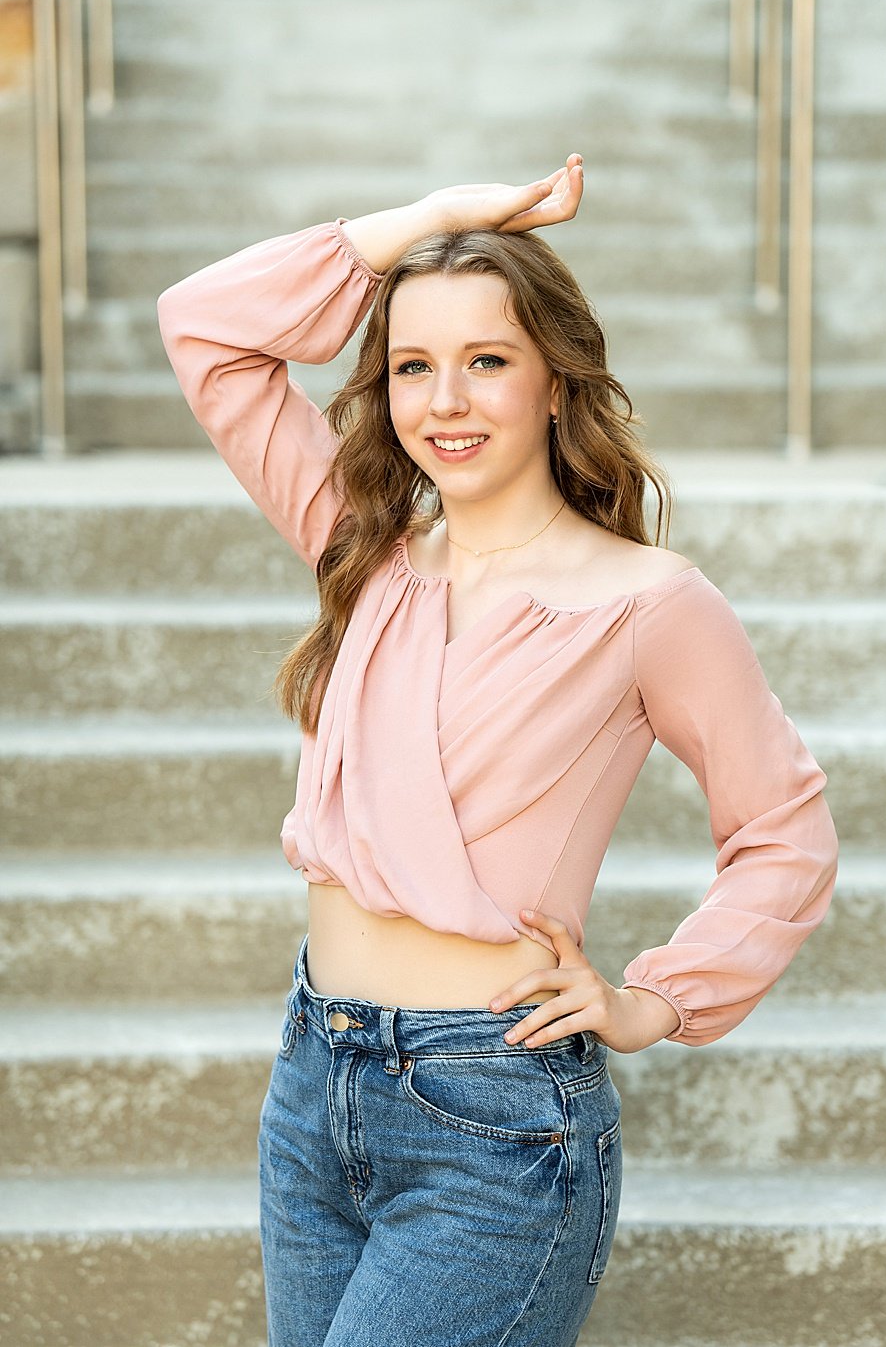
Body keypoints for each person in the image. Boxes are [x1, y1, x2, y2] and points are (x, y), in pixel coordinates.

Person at [156, 153, 840, 1346]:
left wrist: (653, 1002)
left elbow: (786, 830)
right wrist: (425, 225)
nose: (445, 401)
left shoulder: (648, 603)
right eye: (413, 366)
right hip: (316, 1081)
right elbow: (204, 330)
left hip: (495, 1115)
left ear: (554, 380)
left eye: (487, 360)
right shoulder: (362, 548)